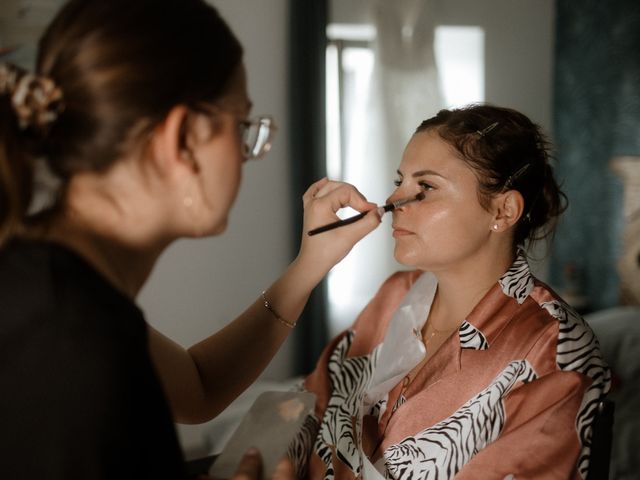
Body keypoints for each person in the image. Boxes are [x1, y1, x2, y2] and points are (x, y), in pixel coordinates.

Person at [0, 0, 382, 478]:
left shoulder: (51, 285)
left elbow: (197, 388)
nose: (247, 154)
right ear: (183, 137)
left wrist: (311, 264)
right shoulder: (70, 339)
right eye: (244, 126)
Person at [291, 105, 612, 479]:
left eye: (425, 187)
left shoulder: (553, 351)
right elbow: (309, 406)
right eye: (400, 180)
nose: (394, 201)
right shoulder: (395, 296)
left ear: (503, 211)